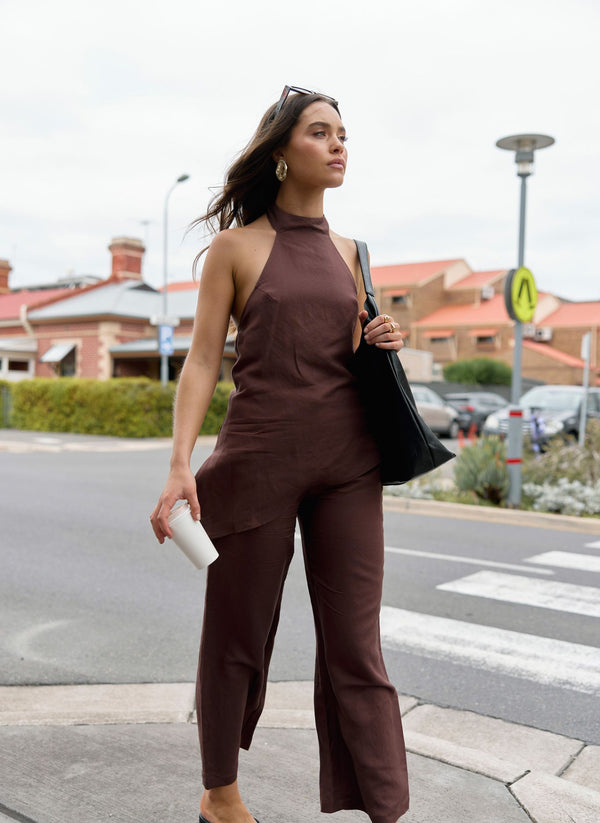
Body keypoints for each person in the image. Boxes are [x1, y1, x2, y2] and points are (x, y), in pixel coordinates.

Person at [150, 85, 409, 823]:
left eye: (343, 134)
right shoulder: (235, 248)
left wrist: (378, 336)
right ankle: (220, 791)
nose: (338, 146)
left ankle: (387, 807)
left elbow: (345, 350)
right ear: (280, 152)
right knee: (238, 630)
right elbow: (202, 360)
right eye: (320, 133)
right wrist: (179, 464)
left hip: (350, 463)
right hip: (258, 459)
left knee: (358, 643)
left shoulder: (352, 251)